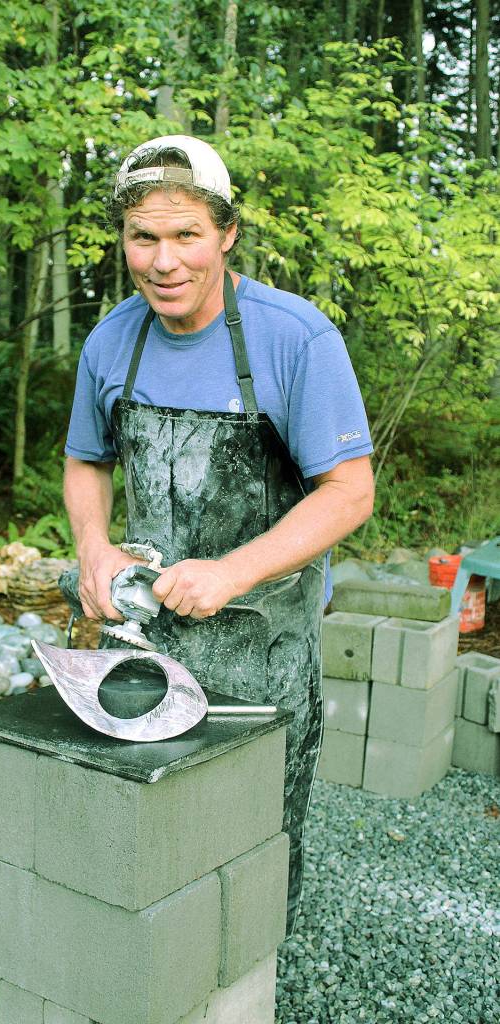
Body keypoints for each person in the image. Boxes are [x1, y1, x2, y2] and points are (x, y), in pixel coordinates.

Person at [63, 134, 374, 935]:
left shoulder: (294, 338)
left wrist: (231, 573)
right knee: (138, 846)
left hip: (260, 656)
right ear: (123, 240)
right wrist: (95, 550)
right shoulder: (112, 341)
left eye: (185, 236)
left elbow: (348, 493)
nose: (163, 262)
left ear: (226, 233)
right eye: (143, 238)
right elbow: (85, 462)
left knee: (247, 852)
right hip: (143, 647)